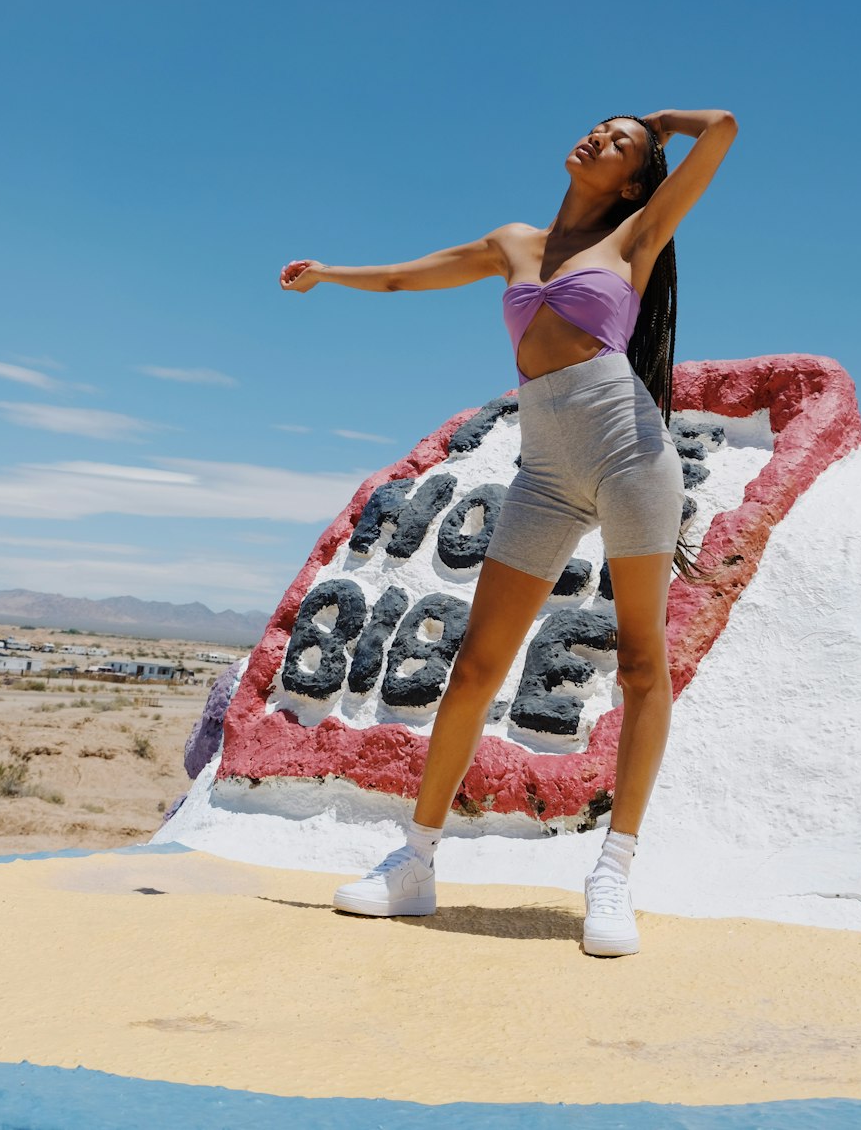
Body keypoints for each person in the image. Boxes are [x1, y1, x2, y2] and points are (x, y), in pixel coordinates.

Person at [279, 109, 739, 956]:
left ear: (637, 182)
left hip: (632, 455)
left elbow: (724, 131)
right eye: (600, 127)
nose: (600, 137)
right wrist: (327, 273)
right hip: (546, 473)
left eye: (621, 143)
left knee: (641, 662)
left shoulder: (640, 231)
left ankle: (613, 873)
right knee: (478, 664)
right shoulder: (515, 243)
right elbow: (401, 278)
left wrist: (661, 123)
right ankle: (415, 864)